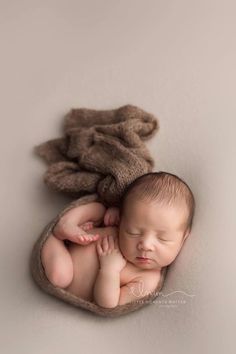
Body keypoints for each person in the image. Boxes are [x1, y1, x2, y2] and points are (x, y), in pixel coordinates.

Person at [41, 171, 195, 308]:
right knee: (99, 209)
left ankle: (55, 238)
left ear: (184, 237)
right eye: (133, 232)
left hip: (66, 267)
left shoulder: (147, 280)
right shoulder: (120, 225)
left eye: (163, 238)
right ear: (123, 221)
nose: (145, 245)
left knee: (59, 277)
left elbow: (108, 303)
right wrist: (112, 214)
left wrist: (110, 270)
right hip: (80, 234)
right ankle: (67, 224)